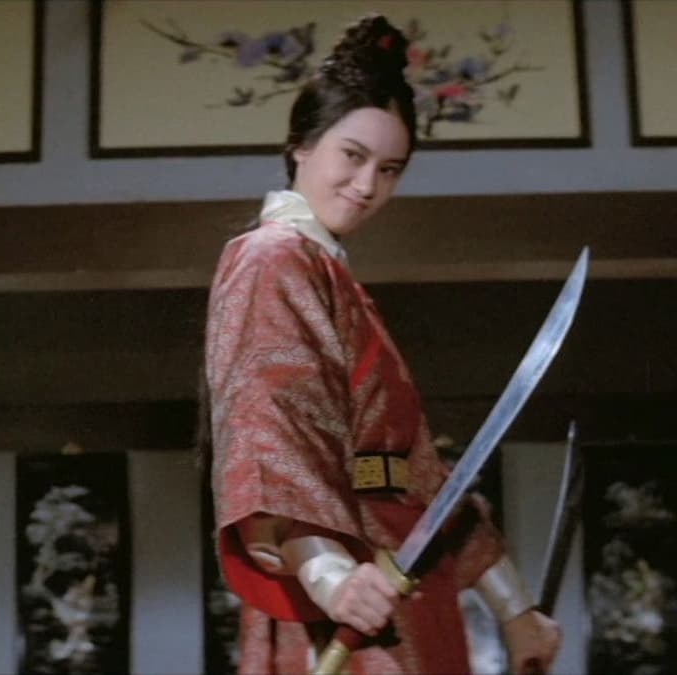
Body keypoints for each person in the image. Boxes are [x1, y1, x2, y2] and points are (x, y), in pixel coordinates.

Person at [200, 14, 562, 675]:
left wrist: (514, 608)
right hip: (343, 584)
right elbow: (273, 436)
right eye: (353, 156)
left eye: (389, 169)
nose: (368, 186)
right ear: (302, 146)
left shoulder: (337, 280)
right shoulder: (271, 259)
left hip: (402, 566)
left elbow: (422, 471)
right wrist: (331, 576)